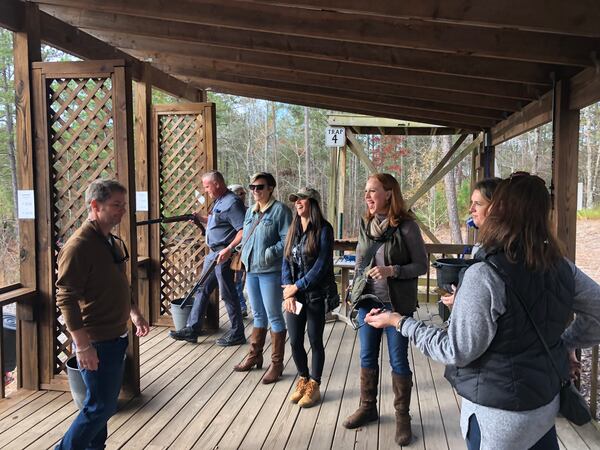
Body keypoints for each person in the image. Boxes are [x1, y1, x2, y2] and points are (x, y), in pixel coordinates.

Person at [365, 173, 600, 450]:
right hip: (544, 408)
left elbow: (456, 350)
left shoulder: (486, 274)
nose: (473, 209)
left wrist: (399, 321)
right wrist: (564, 344)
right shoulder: (561, 266)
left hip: (497, 420)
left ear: (501, 210)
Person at [55, 179, 150, 450]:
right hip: (96, 340)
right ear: (95, 206)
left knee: (103, 404)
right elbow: (66, 298)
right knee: (100, 406)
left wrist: (134, 312)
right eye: (116, 205)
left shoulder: (110, 240)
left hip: (116, 335)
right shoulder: (78, 247)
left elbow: (120, 281)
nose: (122, 211)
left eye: (124, 205)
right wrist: (83, 345)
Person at [343, 173, 428, 446]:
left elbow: (422, 266)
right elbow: (359, 263)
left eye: (373, 191)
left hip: (395, 306)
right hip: (367, 303)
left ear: (389, 193)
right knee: (367, 357)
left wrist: (393, 270)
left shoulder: (407, 227)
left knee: (398, 360)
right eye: (366, 191)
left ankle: (402, 416)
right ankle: (368, 407)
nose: (367, 196)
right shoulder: (366, 225)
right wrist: (354, 292)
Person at [169, 170, 246, 346]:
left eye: (207, 186)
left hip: (224, 255)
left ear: (217, 183)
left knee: (228, 294)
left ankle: (237, 333)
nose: (205, 190)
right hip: (213, 255)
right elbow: (217, 220)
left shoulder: (233, 203)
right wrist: (200, 218)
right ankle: (192, 329)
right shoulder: (219, 201)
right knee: (202, 289)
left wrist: (229, 249)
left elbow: (243, 230)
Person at [233, 173, 292, 383]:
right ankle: (255, 355)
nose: (255, 191)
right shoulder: (251, 211)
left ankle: (276, 364)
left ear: (270, 188)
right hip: (252, 270)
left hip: (270, 271)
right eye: (252, 187)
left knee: (274, 316)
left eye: (260, 187)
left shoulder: (280, 211)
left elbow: (288, 240)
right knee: (258, 314)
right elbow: (248, 236)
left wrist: (269, 253)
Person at [281, 187, 336, 408]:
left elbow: (322, 266)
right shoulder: (293, 229)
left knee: (315, 341)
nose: (297, 202)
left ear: (313, 202)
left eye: (302, 199)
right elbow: (286, 260)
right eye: (295, 199)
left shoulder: (324, 229)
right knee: (294, 340)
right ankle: (302, 378)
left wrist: (297, 286)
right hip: (294, 295)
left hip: (315, 294)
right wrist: (288, 290)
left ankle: (315, 384)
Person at [441, 177, 501, 309]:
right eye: (471, 203)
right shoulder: (485, 245)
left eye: (478, 204)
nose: (471, 209)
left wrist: (463, 298)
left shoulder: (498, 253)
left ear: (495, 208)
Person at [228, 183, 249, 318]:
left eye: (244, 193)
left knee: (238, 281)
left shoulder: (248, 210)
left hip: (242, 252)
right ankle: (240, 306)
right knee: (235, 282)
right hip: (230, 252)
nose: (244, 196)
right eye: (240, 193)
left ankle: (241, 306)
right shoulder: (230, 210)